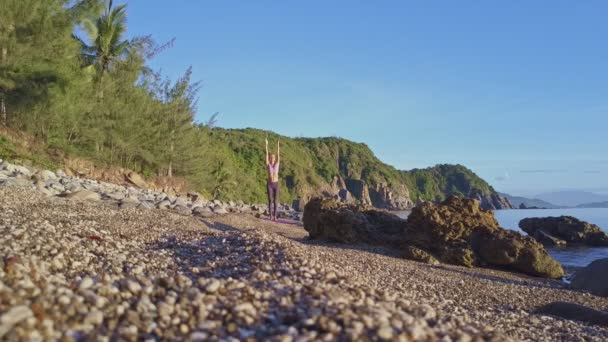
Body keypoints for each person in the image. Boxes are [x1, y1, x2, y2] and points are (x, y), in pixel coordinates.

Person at [265, 136, 280, 221]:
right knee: (270, 200)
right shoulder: (268, 165)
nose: (272, 158)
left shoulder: (277, 164)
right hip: (270, 184)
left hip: (276, 184)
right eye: (271, 157)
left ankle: (275, 216)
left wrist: (278, 145)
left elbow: (278, 154)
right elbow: (266, 154)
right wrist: (266, 145)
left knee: (275, 201)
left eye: (273, 157)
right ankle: (270, 216)